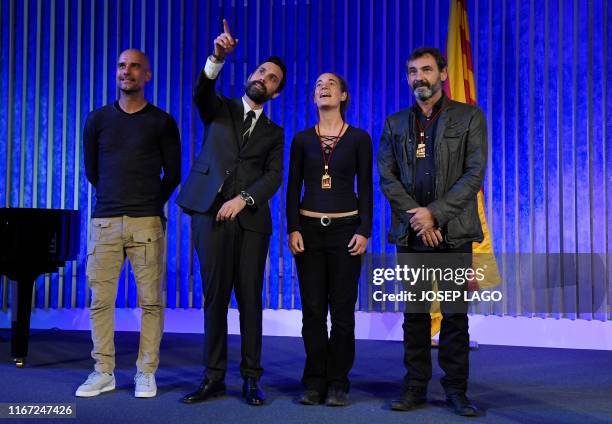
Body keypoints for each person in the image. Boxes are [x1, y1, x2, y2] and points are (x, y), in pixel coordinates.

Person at [176, 20, 285, 406]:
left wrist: (244, 200)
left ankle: (252, 379)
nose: (264, 79)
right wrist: (216, 58)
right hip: (208, 215)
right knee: (215, 298)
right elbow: (201, 90)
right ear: (250, 76)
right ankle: (213, 377)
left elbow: (274, 177)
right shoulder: (218, 109)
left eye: (272, 78)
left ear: (275, 91)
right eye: (260, 72)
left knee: (250, 301)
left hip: (252, 224)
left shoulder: (275, 133)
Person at [377, 46, 487, 416]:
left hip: (453, 233)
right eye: (412, 71)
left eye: (426, 70)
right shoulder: (394, 124)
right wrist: (419, 219)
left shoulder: (469, 117)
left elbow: (474, 175)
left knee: (455, 316)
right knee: (416, 315)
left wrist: (435, 215)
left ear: (442, 74)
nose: (418, 77)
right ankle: (415, 387)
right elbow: (387, 178)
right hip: (412, 235)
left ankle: (456, 390)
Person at [78, 49, 181, 398]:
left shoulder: (162, 122)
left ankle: (145, 372)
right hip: (104, 222)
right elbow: (93, 172)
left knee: (151, 302)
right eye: (122, 65)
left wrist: (150, 202)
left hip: (147, 223)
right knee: (100, 302)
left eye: (135, 66)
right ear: (116, 73)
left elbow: (174, 173)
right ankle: (103, 371)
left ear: (147, 76)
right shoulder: (97, 120)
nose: (127, 71)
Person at [286, 72, 372, 407]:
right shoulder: (302, 140)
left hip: (345, 232)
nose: (323, 87)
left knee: (342, 312)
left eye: (331, 84)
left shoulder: (359, 139)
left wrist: (364, 230)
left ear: (344, 96)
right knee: (312, 311)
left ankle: (338, 381)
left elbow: (365, 188)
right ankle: (314, 380)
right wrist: (292, 227)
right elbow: (293, 188)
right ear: (313, 97)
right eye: (318, 85)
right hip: (308, 232)